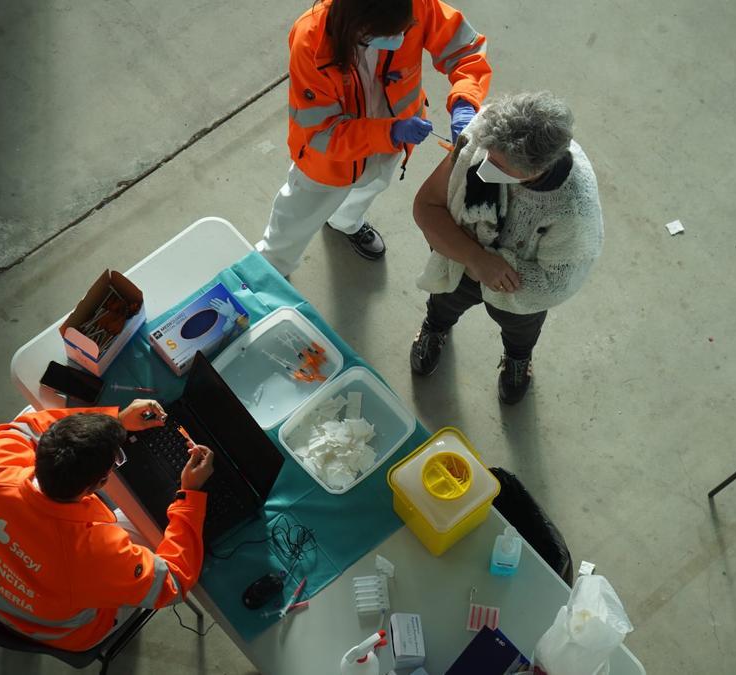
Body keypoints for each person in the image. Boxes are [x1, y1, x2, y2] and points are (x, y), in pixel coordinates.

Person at [255, 0, 491, 277]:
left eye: (406, 29)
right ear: (356, 25)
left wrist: (465, 98)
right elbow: (321, 132)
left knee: (369, 187)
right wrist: (388, 131)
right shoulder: (311, 44)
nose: (400, 39)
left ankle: (345, 222)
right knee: (297, 216)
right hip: (329, 160)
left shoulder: (414, 5)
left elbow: (466, 49)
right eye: (390, 34)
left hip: (390, 145)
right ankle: (272, 268)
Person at [0, 400, 213, 651]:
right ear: (99, 483)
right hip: (57, 631)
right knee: (147, 528)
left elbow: (25, 427)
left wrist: (117, 419)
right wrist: (189, 494)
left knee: (31, 409)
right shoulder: (94, 556)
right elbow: (174, 582)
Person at [409, 92, 604, 404]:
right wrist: (474, 258)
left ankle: (517, 358)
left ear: (534, 170)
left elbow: (558, 283)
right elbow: (426, 206)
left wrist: (494, 265)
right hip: (461, 260)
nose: (482, 163)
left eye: (498, 165)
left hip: (518, 288)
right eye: (486, 153)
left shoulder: (574, 208)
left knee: (521, 331)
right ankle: (435, 328)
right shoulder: (484, 134)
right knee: (444, 302)